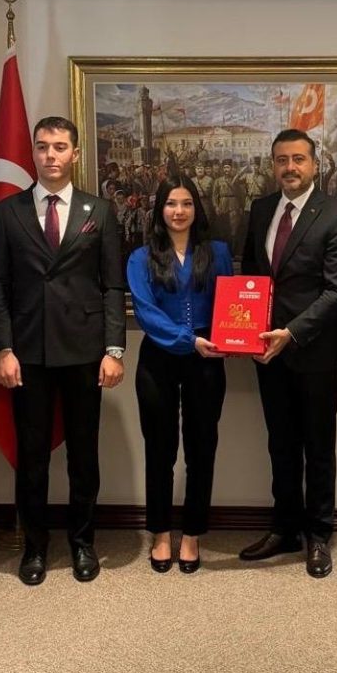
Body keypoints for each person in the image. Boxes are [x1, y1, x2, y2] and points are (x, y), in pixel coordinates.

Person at [0, 115, 126, 586]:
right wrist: (3, 348)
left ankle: (83, 542)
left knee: (84, 454)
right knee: (33, 456)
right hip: (28, 352)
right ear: (33, 151)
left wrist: (114, 350)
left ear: (75, 154)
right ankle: (35, 546)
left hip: (86, 351)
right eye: (43, 146)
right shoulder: (9, 211)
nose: (50, 155)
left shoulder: (99, 211)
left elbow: (112, 285)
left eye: (60, 146)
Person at [238, 128, 337, 578]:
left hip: (315, 351)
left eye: (298, 159)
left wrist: (290, 332)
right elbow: (252, 277)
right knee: (280, 443)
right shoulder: (261, 210)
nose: (290, 167)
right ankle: (284, 528)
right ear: (273, 165)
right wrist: (245, 332)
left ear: (315, 164)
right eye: (282, 160)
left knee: (318, 446)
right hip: (267, 352)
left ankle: (318, 535)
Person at [126, 175, 233, 573]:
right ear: (159, 210)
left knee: (202, 448)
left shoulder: (218, 252)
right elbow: (145, 311)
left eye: (186, 203)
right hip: (159, 358)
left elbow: (231, 302)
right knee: (160, 449)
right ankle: (160, 533)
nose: (179, 211)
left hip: (208, 358)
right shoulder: (140, 258)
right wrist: (188, 340)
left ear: (196, 208)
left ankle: (192, 534)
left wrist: (233, 336)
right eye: (171, 203)